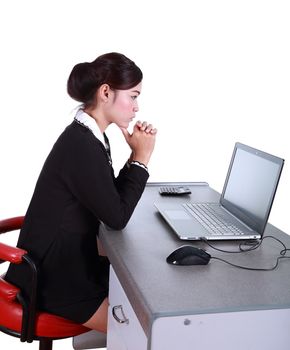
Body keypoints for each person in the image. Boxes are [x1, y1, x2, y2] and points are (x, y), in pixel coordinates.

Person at [6, 52, 157, 333]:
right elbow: (117, 216)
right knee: (146, 330)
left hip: (69, 261)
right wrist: (141, 159)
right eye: (133, 96)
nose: (136, 108)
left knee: (145, 290)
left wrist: (135, 157)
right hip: (52, 277)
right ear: (105, 93)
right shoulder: (81, 145)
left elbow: (110, 199)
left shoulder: (88, 136)